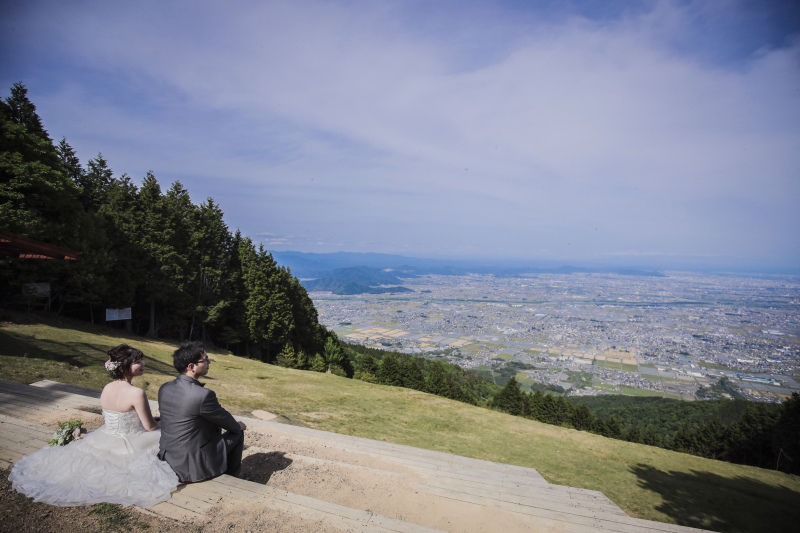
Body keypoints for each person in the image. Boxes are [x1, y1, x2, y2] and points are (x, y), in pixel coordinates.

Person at [9, 344, 179, 507]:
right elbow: (149, 427)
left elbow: (119, 416)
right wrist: (165, 423)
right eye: (137, 362)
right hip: (130, 440)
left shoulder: (107, 388)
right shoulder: (137, 393)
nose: (143, 364)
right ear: (122, 368)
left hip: (106, 435)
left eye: (141, 360)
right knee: (167, 433)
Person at [157, 341, 246, 483]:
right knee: (237, 432)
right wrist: (238, 425)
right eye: (205, 360)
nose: (209, 362)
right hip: (191, 467)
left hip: (168, 458)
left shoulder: (164, 388)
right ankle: (231, 478)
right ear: (191, 367)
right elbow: (227, 421)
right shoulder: (203, 395)